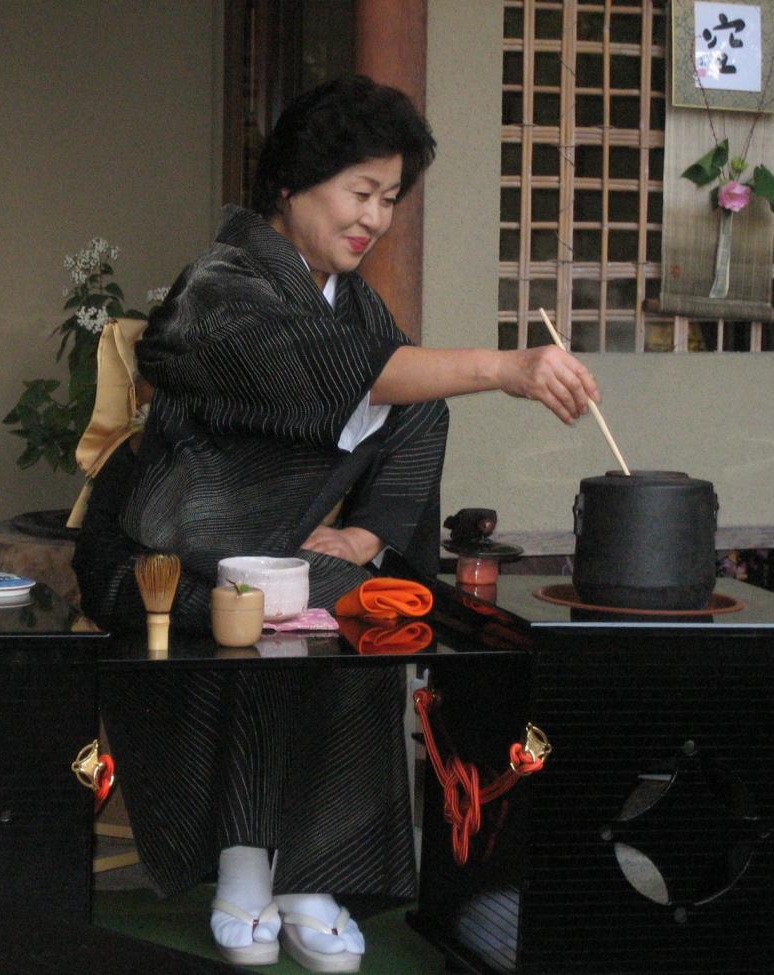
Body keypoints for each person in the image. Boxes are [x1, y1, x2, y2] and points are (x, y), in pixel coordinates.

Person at [74, 74, 598, 972]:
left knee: (374, 601)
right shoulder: (219, 287)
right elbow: (339, 376)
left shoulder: (353, 306)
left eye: (390, 199)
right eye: (360, 192)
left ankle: (308, 875)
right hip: (155, 555)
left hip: (265, 553)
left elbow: (415, 409)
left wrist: (364, 534)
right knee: (286, 612)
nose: (376, 218)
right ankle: (246, 863)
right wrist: (504, 365)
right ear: (292, 184)